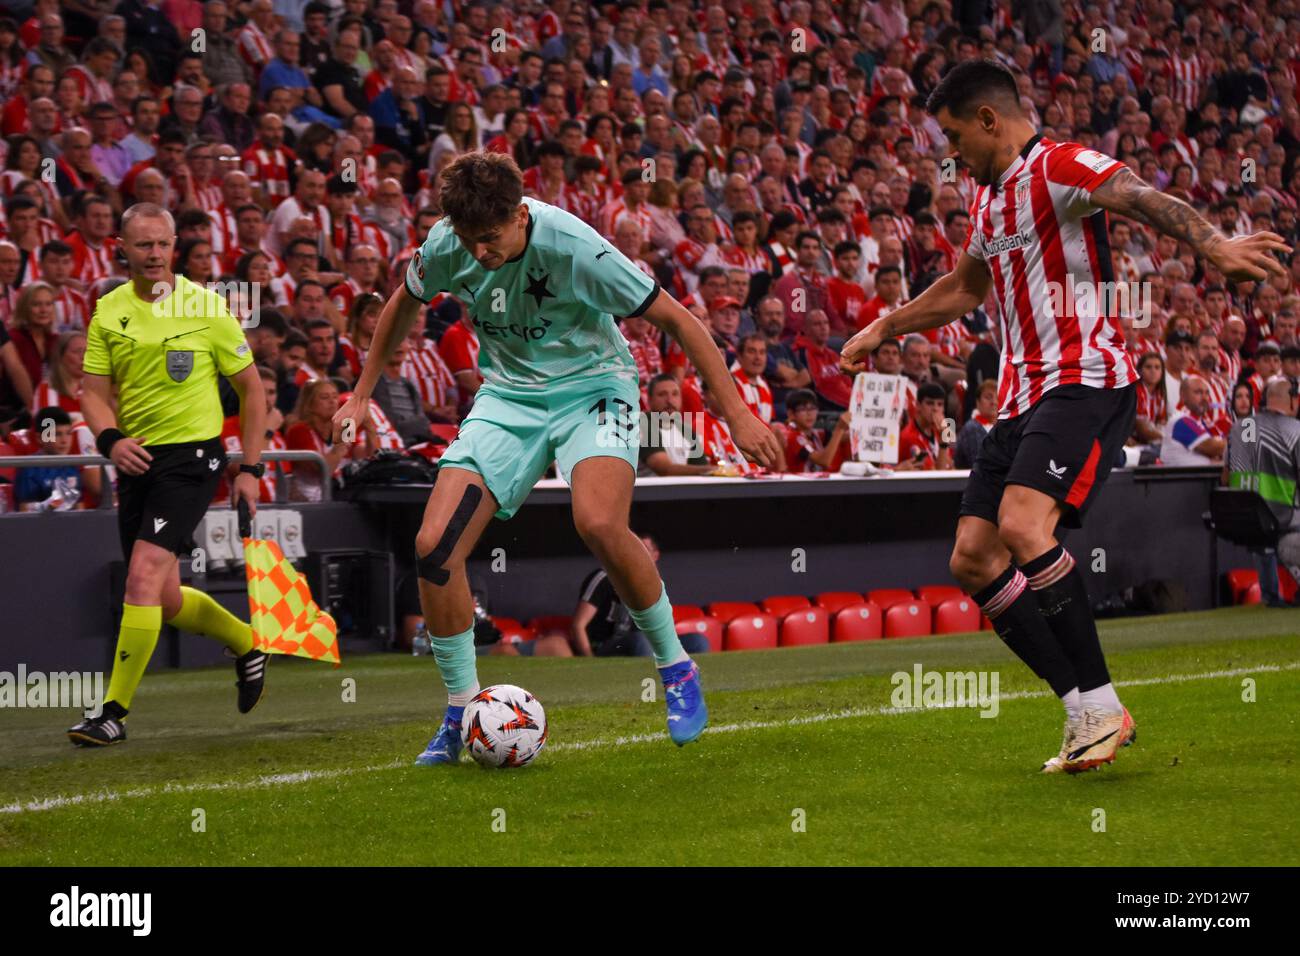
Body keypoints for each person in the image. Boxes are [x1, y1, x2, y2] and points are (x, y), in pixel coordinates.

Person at [841, 58, 1290, 774]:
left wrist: (1212, 243)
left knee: (1022, 526)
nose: (950, 154)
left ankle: (1103, 706)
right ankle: (1085, 710)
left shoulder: (1060, 165)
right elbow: (965, 288)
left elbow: (1140, 196)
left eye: (955, 136)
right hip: (1021, 400)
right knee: (974, 557)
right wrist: (885, 328)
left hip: (1084, 380)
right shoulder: (989, 204)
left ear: (990, 120)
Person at [333, 151, 780, 766]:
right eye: (469, 241)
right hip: (508, 397)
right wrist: (361, 393)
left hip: (595, 388)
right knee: (434, 545)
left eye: (490, 240)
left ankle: (676, 668)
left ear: (520, 215)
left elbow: (681, 320)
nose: (479, 254)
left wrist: (736, 415)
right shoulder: (447, 242)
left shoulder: (577, 247)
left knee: (597, 522)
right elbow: (401, 304)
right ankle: (462, 710)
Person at [70, 202, 269, 747]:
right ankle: (248, 643)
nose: (154, 254)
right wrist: (110, 439)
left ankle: (112, 712)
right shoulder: (108, 310)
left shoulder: (209, 307)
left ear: (174, 246)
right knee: (161, 596)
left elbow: (253, 390)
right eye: (143, 245)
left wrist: (248, 468)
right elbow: (91, 393)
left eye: (162, 244)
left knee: (140, 576)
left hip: (193, 461)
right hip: (135, 460)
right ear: (122, 247)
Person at [571, 534, 710, 657]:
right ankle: (649, 683)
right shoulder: (605, 577)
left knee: (697, 641)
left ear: (655, 556)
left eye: (644, 549)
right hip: (604, 646)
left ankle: (689, 684)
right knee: (641, 641)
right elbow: (578, 625)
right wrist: (590, 661)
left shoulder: (653, 585)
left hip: (644, 644)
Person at [1226, 376, 1300, 607]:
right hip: (1282, 520)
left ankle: (1270, 595)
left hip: (1243, 518)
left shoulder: (1239, 427)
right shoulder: (1294, 430)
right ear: (1293, 401)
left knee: (1265, 530)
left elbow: (1225, 476)